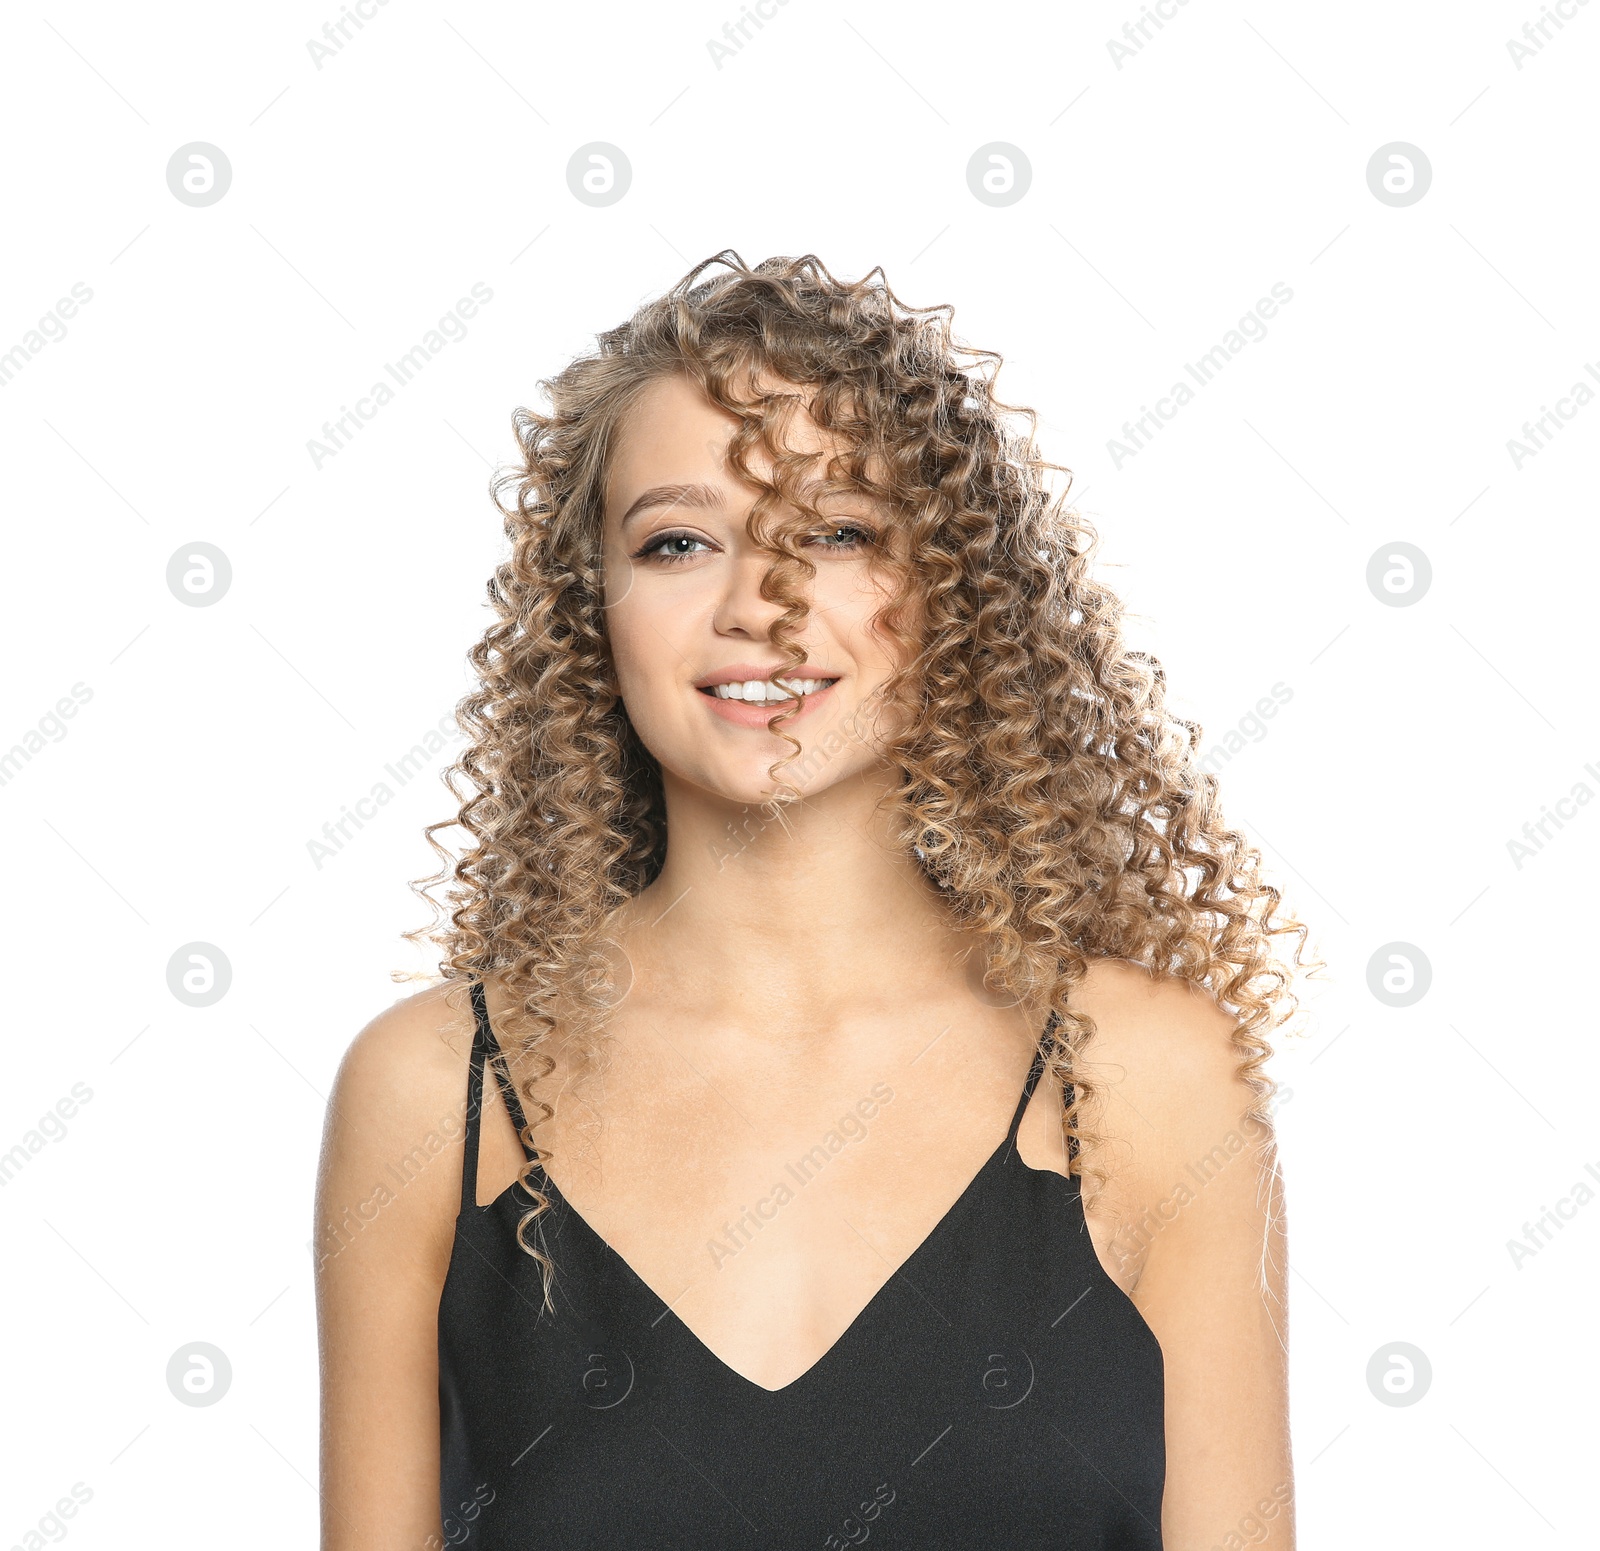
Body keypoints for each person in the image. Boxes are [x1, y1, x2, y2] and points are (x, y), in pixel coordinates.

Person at [314, 251, 1308, 1550]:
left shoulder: (1149, 1080)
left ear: (949, 592)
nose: (759, 609)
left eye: (835, 533)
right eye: (678, 542)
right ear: (589, 609)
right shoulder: (435, 1093)